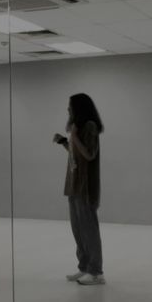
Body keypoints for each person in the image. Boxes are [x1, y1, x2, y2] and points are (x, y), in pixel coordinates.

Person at [53, 93, 105, 286]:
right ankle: (84, 267)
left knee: (89, 229)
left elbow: (89, 154)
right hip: (74, 184)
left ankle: (96, 272)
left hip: (85, 186)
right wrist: (64, 142)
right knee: (78, 229)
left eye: (70, 106)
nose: (68, 109)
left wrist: (73, 136)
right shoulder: (77, 127)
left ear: (79, 108)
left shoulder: (89, 126)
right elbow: (76, 154)